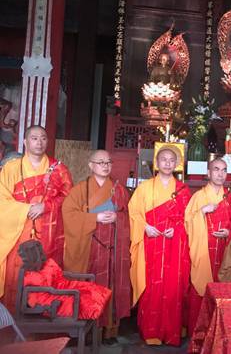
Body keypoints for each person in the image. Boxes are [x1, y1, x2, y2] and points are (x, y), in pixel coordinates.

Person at [0, 125, 72, 311]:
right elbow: (2, 199)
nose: (39, 142)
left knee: (46, 272)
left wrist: (46, 206)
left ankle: (44, 318)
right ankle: (12, 318)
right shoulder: (11, 168)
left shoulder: (59, 169)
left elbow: (69, 199)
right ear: (25, 142)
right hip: (18, 231)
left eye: (43, 138)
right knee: (16, 273)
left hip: (50, 233)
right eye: (34, 138)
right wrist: (25, 209)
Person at [62, 149, 131, 339]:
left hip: (113, 248)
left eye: (108, 162)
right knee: (91, 285)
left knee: (111, 285)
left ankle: (109, 330)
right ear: (91, 165)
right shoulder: (80, 190)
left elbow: (128, 215)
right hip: (90, 246)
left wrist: (118, 217)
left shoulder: (119, 190)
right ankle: (89, 331)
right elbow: (68, 214)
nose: (105, 166)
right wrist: (95, 218)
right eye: (100, 162)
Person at [128, 146, 191, 346]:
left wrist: (177, 229)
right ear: (157, 162)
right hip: (151, 244)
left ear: (177, 164)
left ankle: (171, 332)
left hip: (174, 246)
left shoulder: (183, 190)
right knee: (151, 287)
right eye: (163, 159)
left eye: (171, 160)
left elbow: (189, 219)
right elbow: (133, 212)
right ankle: (151, 332)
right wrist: (145, 227)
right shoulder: (144, 188)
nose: (167, 163)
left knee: (173, 288)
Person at [184, 158, 231, 335]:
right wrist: (202, 211)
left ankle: (219, 334)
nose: (220, 174)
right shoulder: (198, 197)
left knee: (223, 288)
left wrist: (229, 232)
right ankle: (199, 335)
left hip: (225, 251)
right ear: (208, 173)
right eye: (216, 169)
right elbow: (187, 222)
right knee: (201, 289)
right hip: (204, 250)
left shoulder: (230, 197)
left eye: (224, 170)